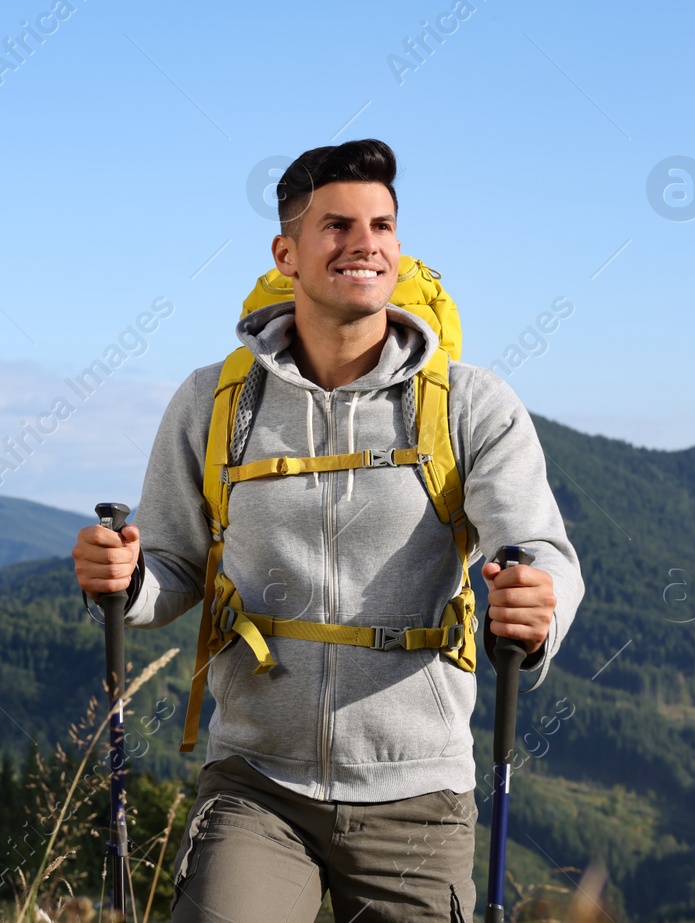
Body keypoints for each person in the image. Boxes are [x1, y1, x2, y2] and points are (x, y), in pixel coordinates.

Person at [72, 139, 583, 922]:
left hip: (418, 792)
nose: (365, 243)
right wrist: (126, 579)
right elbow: (173, 562)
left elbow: (540, 548)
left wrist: (539, 604)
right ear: (286, 254)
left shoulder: (472, 403)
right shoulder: (215, 402)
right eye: (336, 225)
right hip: (256, 780)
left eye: (381, 224)